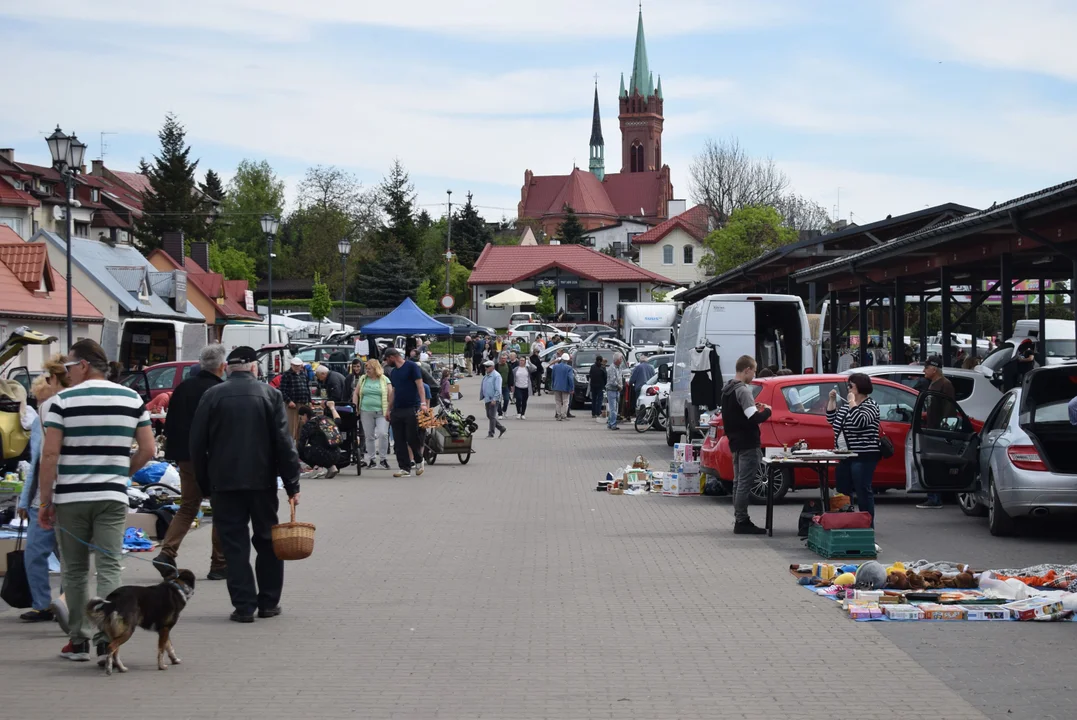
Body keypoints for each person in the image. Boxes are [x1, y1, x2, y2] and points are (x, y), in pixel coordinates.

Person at [39, 339, 155, 662]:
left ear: (84, 366)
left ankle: (79, 640)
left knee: (74, 571)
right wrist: (122, 473)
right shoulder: (133, 399)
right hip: (111, 498)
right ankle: (108, 639)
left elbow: (50, 454)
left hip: (71, 499)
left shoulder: (62, 401)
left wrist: (45, 500)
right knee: (109, 566)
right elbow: (148, 450)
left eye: (69, 368)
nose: (67, 374)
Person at [190, 346, 300, 623]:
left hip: (224, 483)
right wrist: (292, 485)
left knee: (234, 544)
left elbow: (196, 445)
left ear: (228, 367)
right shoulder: (270, 395)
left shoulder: (211, 396)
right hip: (262, 482)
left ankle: (243, 606)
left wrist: (205, 484)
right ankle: (268, 603)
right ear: (254, 367)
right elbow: (284, 445)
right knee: (267, 541)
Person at [154, 344, 228, 581]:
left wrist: (175, 454)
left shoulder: (183, 388)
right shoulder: (221, 390)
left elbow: (171, 423)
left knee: (188, 506)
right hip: (213, 459)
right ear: (222, 366)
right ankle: (219, 563)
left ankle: (167, 552)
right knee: (221, 509)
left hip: (186, 457)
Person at [16, 358, 69, 626]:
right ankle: (59, 604)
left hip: (47, 499)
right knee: (65, 557)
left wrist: (27, 500)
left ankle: (50, 604)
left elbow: (41, 460)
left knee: (38, 554)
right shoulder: (47, 413)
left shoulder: (47, 412)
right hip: (65, 497)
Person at [720, 355, 772, 535]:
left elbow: (737, 413)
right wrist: (767, 412)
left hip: (734, 442)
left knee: (737, 482)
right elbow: (753, 417)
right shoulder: (743, 390)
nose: (754, 375)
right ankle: (742, 520)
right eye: (754, 371)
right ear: (747, 369)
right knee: (744, 483)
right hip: (748, 442)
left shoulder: (727, 389)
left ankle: (739, 518)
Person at [826, 373, 882, 525]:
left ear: (860, 387)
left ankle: (867, 524)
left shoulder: (871, 406)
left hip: (863, 455)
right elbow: (832, 419)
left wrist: (852, 403)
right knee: (843, 490)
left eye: (851, 386)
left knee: (863, 490)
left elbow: (860, 421)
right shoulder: (846, 406)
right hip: (845, 455)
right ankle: (846, 522)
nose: (849, 389)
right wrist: (832, 401)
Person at [916, 355, 956, 509]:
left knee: (935, 465)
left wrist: (944, 430)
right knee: (930, 464)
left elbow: (948, 410)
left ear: (934, 369)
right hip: (931, 430)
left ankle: (935, 498)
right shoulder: (933, 383)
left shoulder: (945, 385)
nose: (923, 370)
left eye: (926, 367)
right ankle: (933, 496)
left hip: (938, 432)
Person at [384, 348, 427, 478]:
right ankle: (404, 467)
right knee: (398, 440)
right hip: (397, 409)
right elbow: (394, 391)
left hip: (411, 407)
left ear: (392, 357)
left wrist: (423, 403)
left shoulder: (411, 366)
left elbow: (420, 385)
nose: (386, 362)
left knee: (411, 437)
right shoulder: (394, 372)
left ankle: (419, 460)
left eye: (386, 359)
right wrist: (388, 409)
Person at [355, 358, 391, 470]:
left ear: (376, 369)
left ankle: (383, 458)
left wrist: (390, 409)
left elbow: (390, 394)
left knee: (383, 434)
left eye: (369, 368)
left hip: (381, 411)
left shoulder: (384, 379)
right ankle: (372, 460)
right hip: (366, 411)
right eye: (366, 368)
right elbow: (356, 393)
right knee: (369, 436)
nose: (367, 371)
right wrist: (355, 406)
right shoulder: (363, 379)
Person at [296, 404, 345, 478]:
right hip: (336, 454)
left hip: (321, 455)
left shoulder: (309, 425)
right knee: (322, 446)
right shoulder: (326, 419)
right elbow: (338, 420)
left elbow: (301, 445)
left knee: (301, 450)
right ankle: (332, 467)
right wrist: (332, 408)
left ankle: (317, 468)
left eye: (301, 417)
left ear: (305, 415)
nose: (301, 420)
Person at [278, 357, 312, 443]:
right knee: (291, 427)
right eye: (295, 366)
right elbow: (282, 390)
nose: (297, 368)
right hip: (292, 404)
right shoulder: (286, 375)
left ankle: (299, 447)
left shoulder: (303, 374)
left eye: (299, 366)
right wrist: (288, 401)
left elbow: (307, 388)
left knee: (301, 427)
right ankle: (290, 446)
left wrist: (309, 400)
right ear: (291, 365)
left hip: (303, 403)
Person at [480, 360, 507, 438]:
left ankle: (491, 433)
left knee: (492, 416)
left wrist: (495, 399)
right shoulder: (487, 375)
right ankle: (501, 428)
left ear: (492, 367)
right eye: (485, 366)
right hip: (487, 399)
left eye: (488, 367)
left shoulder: (496, 376)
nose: (486, 368)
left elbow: (498, 389)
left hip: (493, 399)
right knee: (489, 415)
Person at [550, 352, 575, 421]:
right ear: (567, 360)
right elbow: (570, 378)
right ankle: (564, 415)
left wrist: (552, 385)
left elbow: (553, 377)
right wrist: (572, 388)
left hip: (556, 386)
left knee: (558, 401)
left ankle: (558, 415)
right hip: (565, 387)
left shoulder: (555, 367)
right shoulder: (569, 368)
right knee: (565, 402)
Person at [589, 355, 606, 422]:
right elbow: (605, 377)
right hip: (600, 386)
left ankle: (593, 413)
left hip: (593, 385)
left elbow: (590, 375)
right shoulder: (602, 368)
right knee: (599, 400)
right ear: (601, 360)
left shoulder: (592, 367)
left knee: (594, 400)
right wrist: (604, 385)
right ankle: (598, 412)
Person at [496, 353, 511, 418]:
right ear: (500, 359)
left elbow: (511, 375)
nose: (503, 360)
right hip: (498, 386)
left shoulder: (508, 366)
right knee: (498, 400)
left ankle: (504, 410)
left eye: (504, 358)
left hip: (506, 386)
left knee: (506, 399)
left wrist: (512, 385)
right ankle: (500, 413)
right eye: (502, 358)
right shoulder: (496, 366)